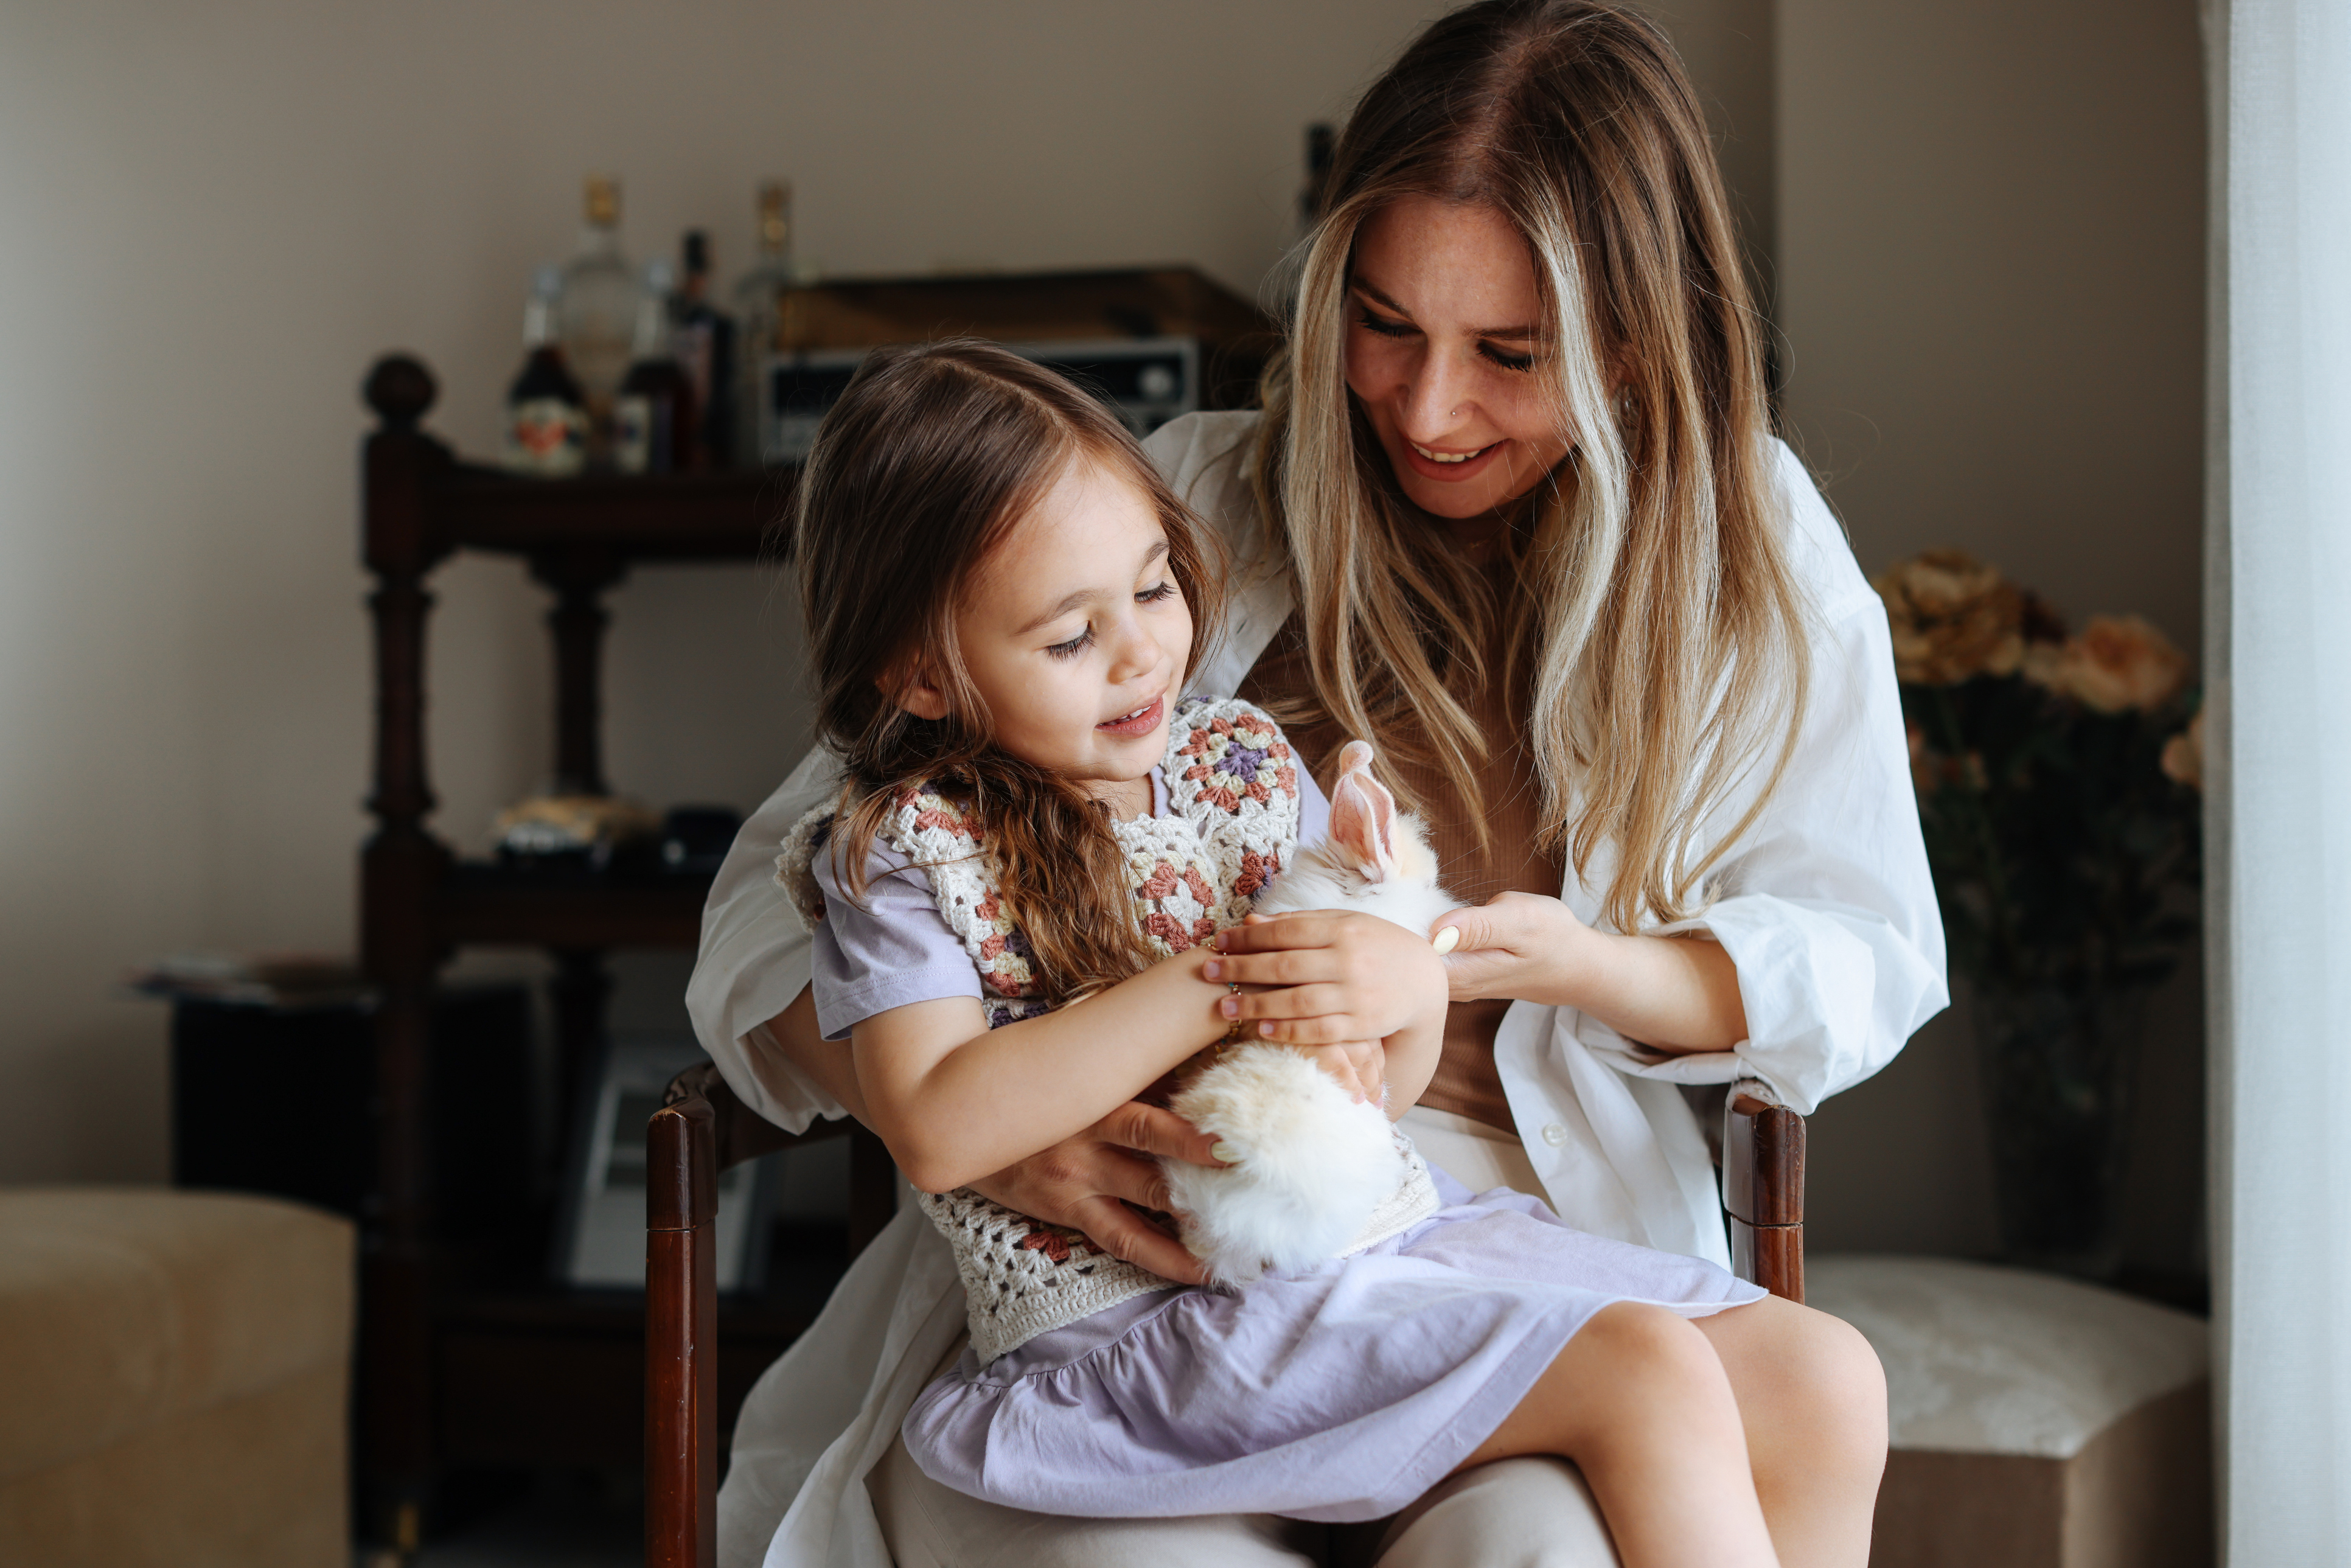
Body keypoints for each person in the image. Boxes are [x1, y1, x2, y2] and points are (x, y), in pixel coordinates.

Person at [688, 3, 1945, 1564]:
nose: (1425, 408)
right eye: (1385, 322)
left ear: (1633, 343)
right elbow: (780, 903)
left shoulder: (1742, 543)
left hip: (1475, 1218)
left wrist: (1571, 964)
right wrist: (996, 1115)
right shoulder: (1174, 506)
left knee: (1598, 1512)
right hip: (1120, 1256)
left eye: (1509, 354)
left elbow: (1860, 951)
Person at [779, 333, 1806, 1566]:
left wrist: (1405, 990)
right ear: (922, 675)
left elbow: (1373, 1093)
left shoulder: (1241, 762)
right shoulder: (909, 851)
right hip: (1145, 1327)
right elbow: (937, 1123)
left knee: (1819, 1376)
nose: (1142, 652)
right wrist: (1222, 976)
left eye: (1153, 587)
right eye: (1068, 637)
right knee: (1642, 1369)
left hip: (1370, 1240)